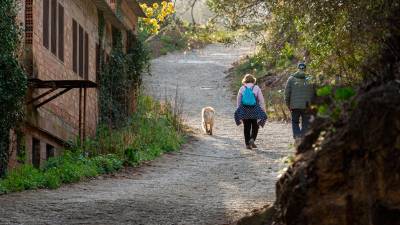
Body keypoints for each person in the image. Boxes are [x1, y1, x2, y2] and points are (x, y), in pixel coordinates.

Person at [234, 74, 267, 150]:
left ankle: (247, 144)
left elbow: (238, 101)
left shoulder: (242, 88)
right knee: (255, 126)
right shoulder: (256, 88)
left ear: (244, 81)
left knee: (246, 127)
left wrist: (239, 110)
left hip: (245, 110)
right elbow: (261, 100)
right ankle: (252, 139)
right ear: (253, 80)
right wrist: (263, 110)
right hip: (255, 110)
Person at [284, 62, 315, 143]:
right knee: (305, 122)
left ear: (298, 69)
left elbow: (287, 94)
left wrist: (288, 104)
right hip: (306, 105)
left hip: (294, 106)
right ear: (305, 69)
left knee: (295, 122)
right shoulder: (310, 79)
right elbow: (314, 93)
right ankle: (302, 137)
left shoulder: (291, 79)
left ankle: (298, 137)